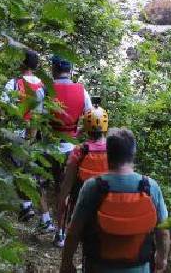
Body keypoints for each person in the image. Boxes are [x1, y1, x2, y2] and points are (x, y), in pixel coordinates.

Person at [59, 129, 170, 273]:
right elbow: (164, 230)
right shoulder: (150, 187)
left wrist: (66, 263)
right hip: (140, 267)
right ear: (133, 153)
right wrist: (162, 258)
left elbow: (74, 231)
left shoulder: (93, 187)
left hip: (98, 266)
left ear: (108, 154)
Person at [0, 50, 53, 229]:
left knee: (16, 171)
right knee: (34, 175)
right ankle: (44, 217)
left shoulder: (14, 83)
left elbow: (2, 107)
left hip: (16, 133)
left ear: (21, 64)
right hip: (36, 136)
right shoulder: (43, 86)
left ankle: (26, 206)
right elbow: (47, 111)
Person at [54, 105, 110, 248]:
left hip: (83, 201)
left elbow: (66, 187)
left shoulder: (80, 150)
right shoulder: (113, 150)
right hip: (107, 203)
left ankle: (59, 233)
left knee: (63, 194)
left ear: (86, 126)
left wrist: (62, 197)